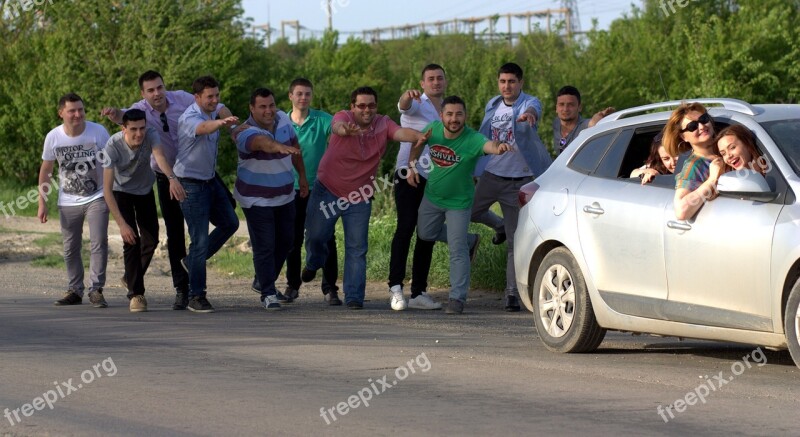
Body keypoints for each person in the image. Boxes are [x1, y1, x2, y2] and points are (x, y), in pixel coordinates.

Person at [101, 70, 234, 311]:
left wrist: (234, 125)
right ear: (143, 94)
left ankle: (191, 262)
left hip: (198, 172)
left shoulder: (182, 98)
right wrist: (114, 113)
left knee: (229, 214)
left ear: (165, 86)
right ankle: (182, 290)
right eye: (150, 90)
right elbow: (125, 119)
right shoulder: (139, 112)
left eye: (159, 87)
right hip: (166, 177)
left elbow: (218, 106)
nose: (157, 93)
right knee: (175, 233)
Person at [301, 86, 429, 309]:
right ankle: (314, 261)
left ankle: (354, 297)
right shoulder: (343, 117)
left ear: (376, 107)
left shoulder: (383, 123)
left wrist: (418, 135)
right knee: (316, 236)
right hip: (328, 189)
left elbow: (400, 133)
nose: (366, 110)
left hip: (359, 195)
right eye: (361, 105)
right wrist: (344, 130)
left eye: (371, 105)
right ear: (353, 107)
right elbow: (337, 127)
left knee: (357, 247)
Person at [409, 95, 510, 314]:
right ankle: (470, 240)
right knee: (425, 234)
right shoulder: (432, 130)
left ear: (465, 115)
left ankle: (457, 298)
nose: (454, 119)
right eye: (450, 114)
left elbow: (488, 145)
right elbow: (417, 144)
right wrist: (412, 164)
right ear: (441, 115)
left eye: (459, 114)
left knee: (457, 250)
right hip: (432, 197)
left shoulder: (472, 138)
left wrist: (498, 147)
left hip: (459, 203)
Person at [471, 62, 552, 312]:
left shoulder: (530, 102)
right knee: (469, 212)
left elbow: (533, 109)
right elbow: (484, 133)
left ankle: (512, 293)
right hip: (491, 175)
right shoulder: (493, 104)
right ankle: (499, 226)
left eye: (512, 82)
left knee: (515, 241)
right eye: (503, 81)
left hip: (519, 181)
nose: (507, 86)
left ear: (521, 83)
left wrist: (530, 117)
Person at [175, 75, 240, 313]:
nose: (215, 100)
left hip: (210, 180)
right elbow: (203, 128)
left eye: (216, 95)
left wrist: (227, 119)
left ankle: (190, 262)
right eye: (209, 97)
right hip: (190, 184)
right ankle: (196, 296)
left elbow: (223, 110)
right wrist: (223, 124)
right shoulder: (190, 117)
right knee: (199, 240)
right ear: (197, 98)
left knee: (230, 222)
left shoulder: (215, 108)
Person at [38, 93, 110, 307]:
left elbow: (109, 165)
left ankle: (96, 289)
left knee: (99, 242)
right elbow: (46, 170)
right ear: (61, 113)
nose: (78, 114)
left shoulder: (98, 132)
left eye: (80, 109)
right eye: (72, 110)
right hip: (67, 200)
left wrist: (111, 193)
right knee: (70, 247)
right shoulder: (53, 137)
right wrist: (42, 201)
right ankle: (75, 290)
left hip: (96, 195)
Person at [235, 88, 304, 310]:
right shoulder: (244, 132)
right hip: (256, 199)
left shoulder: (283, 118)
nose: (268, 111)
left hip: (285, 194)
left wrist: (302, 176)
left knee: (287, 241)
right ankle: (268, 293)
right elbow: (261, 143)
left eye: (271, 105)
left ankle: (263, 280)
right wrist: (278, 147)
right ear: (252, 108)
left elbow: (296, 148)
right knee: (265, 245)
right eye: (262, 107)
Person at [102, 109, 177, 312]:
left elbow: (160, 157)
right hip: (120, 191)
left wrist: (172, 178)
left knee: (151, 239)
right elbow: (107, 190)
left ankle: (130, 277)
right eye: (133, 129)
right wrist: (122, 224)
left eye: (142, 128)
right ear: (123, 128)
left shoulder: (151, 134)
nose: (139, 134)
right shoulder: (112, 146)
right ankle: (136, 294)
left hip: (144, 189)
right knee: (131, 239)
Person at [387, 63, 447, 311]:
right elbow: (402, 105)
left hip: (435, 177)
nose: (435, 82)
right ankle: (395, 288)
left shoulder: (447, 108)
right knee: (405, 227)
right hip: (409, 173)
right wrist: (405, 95)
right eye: (431, 79)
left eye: (440, 78)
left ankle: (419, 292)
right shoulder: (416, 102)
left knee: (427, 233)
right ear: (422, 83)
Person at [282, 78, 341, 305]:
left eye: (307, 94)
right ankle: (292, 285)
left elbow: (337, 125)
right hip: (290, 188)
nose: (303, 98)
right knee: (293, 238)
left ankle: (330, 289)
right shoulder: (282, 122)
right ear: (291, 96)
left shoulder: (321, 118)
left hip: (321, 188)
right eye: (299, 94)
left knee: (326, 237)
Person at [662, 102, 723, 220]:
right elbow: (681, 211)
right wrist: (712, 180)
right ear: (683, 137)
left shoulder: (726, 148)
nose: (701, 126)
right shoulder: (694, 165)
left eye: (704, 119)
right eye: (692, 126)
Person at [552, 85, 615, 154]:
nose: (565, 109)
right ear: (556, 108)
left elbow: (593, 123)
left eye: (571, 105)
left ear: (579, 107)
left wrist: (600, 116)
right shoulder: (556, 123)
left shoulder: (584, 127)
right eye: (561, 104)